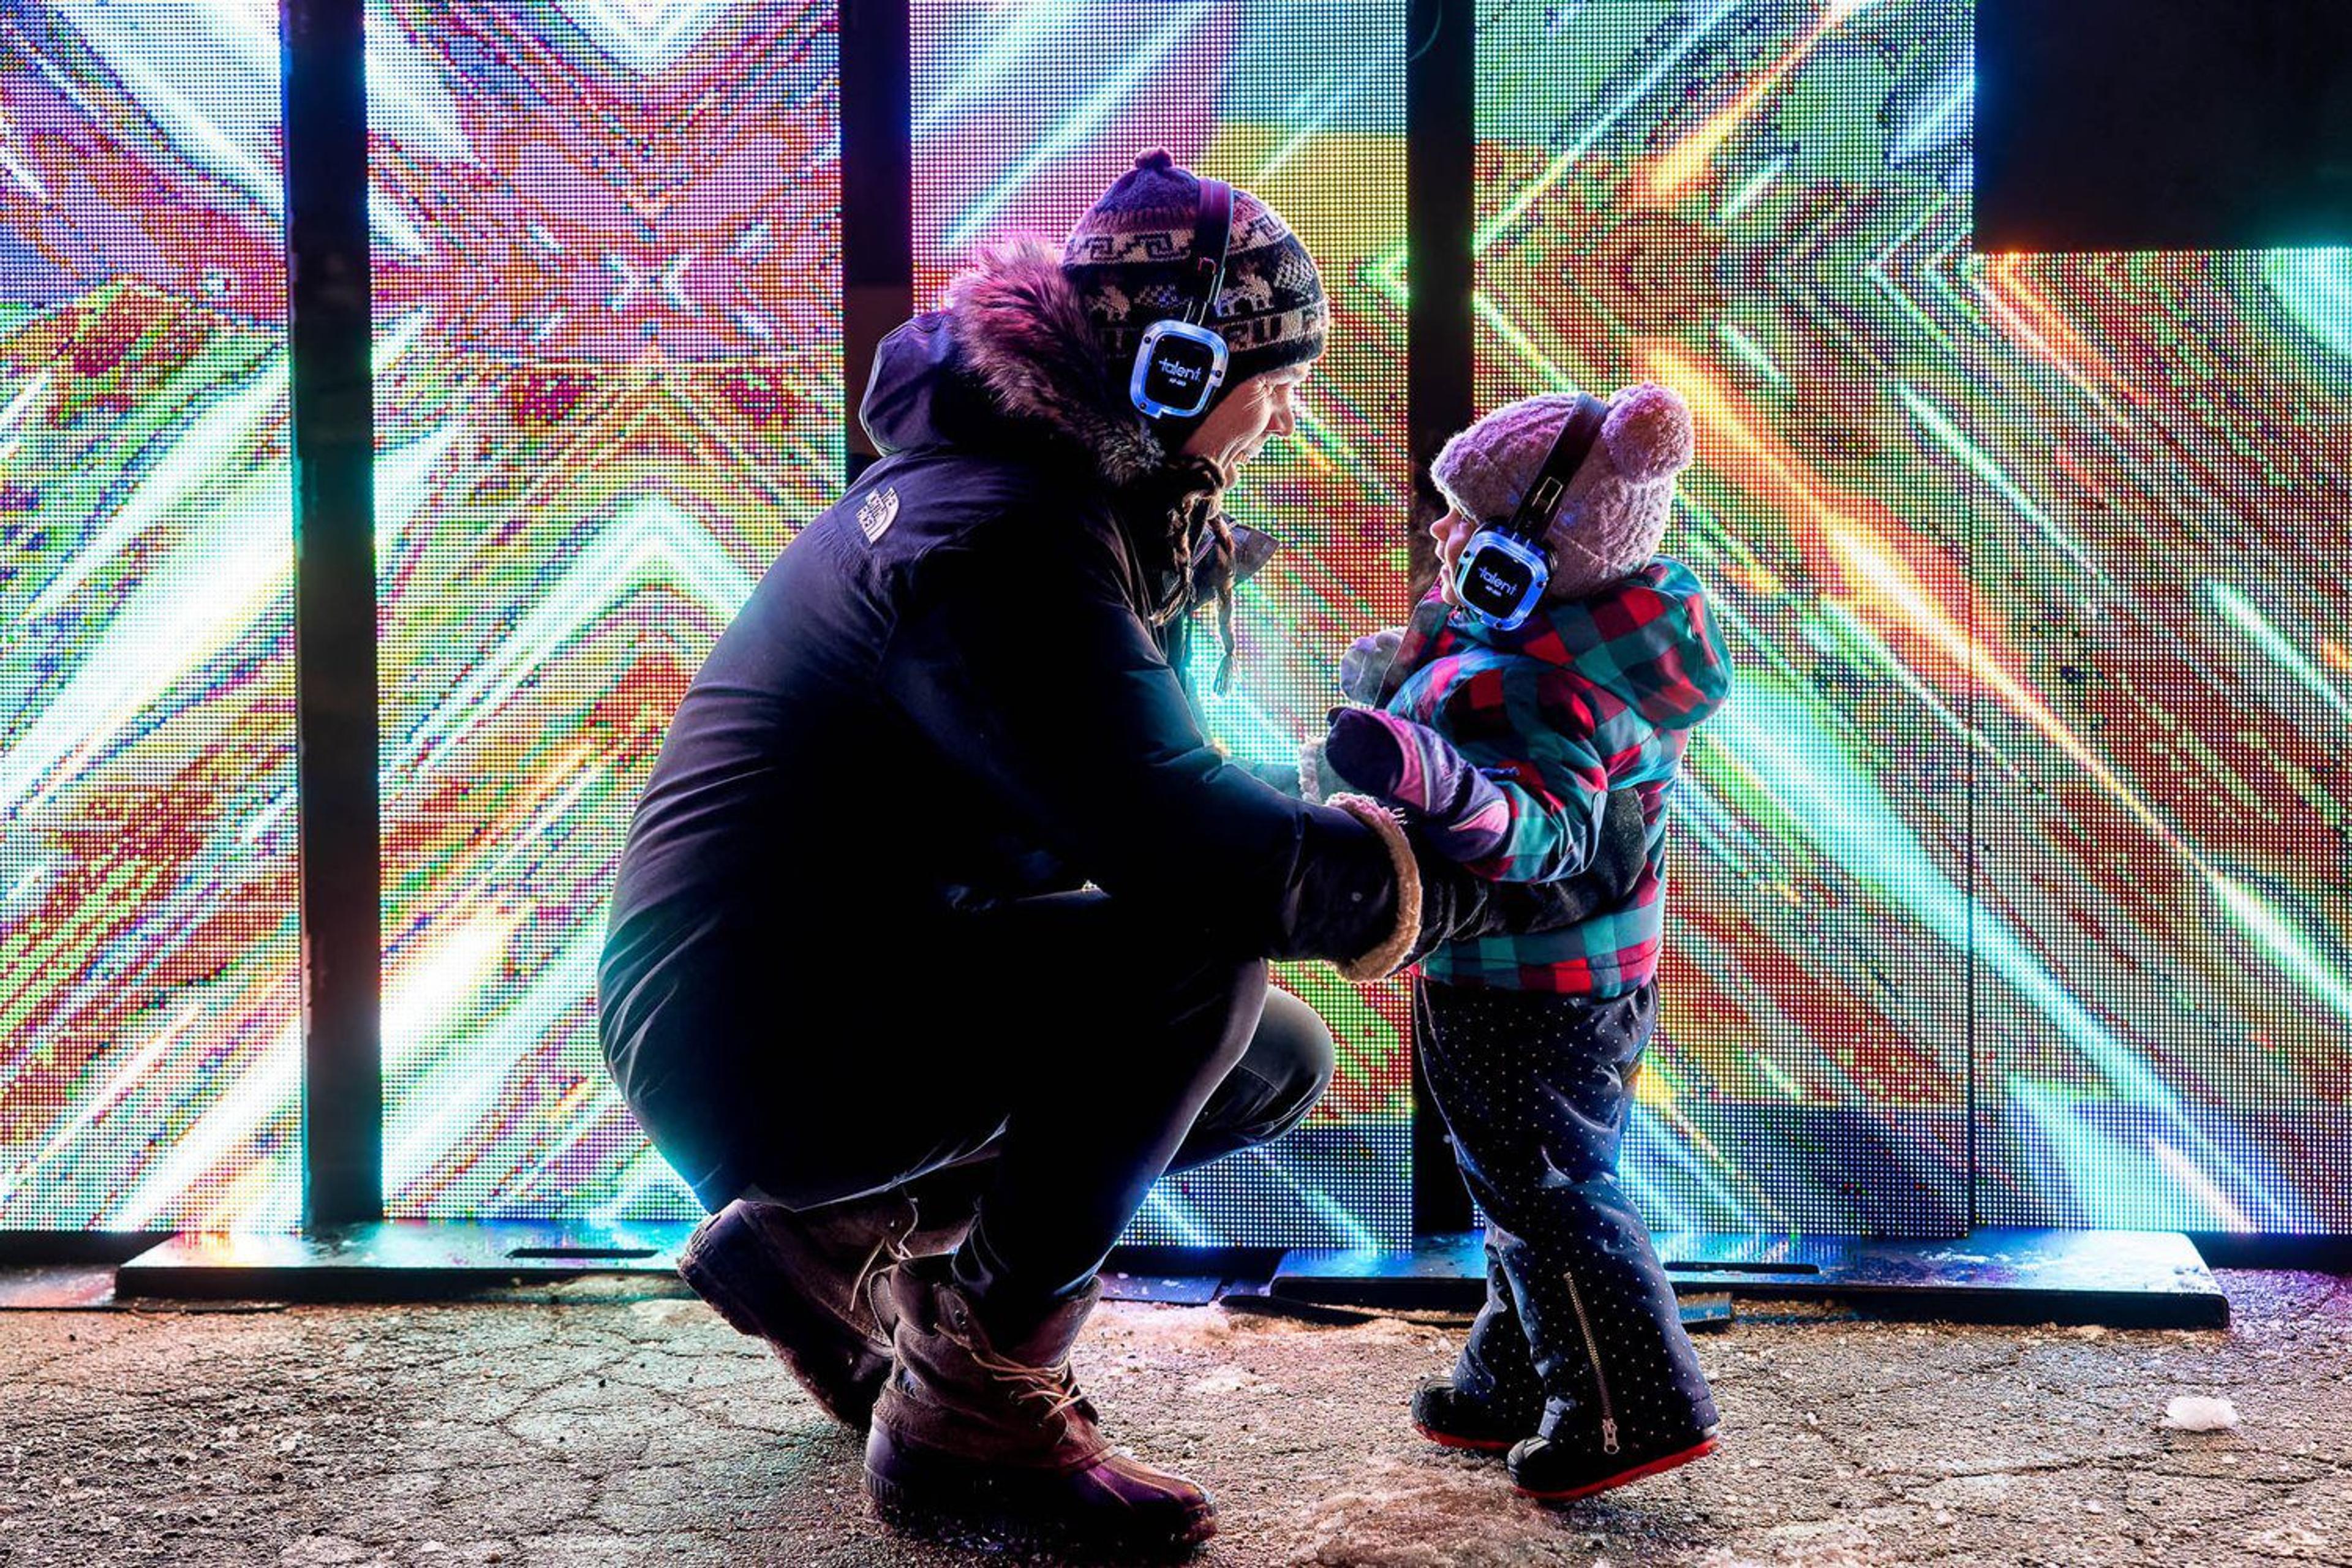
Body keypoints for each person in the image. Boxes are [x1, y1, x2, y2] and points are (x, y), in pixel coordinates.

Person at [596, 151, 1553, 1556]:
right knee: (1197, 950)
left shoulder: (1033, 500)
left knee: (1271, 1055)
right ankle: (968, 1422)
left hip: (801, 986)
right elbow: (1187, 849)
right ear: (1170, 369)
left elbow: (1131, 784)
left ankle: (825, 1243)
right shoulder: (995, 540)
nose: (1279, 420)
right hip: (755, 1035)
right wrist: (1455, 874)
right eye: (1271, 384)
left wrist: (1338, 805)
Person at [1306, 382, 1734, 1501]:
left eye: (1464, 519)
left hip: (1522, 984)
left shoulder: (1528, 686)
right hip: (1581, 976)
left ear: (1529, 554)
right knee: (1521, 1177)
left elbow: (1541, 836)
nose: (1439, 533)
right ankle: (1511, 1377)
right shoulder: (1576, 646)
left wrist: (1428, 772)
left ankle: (1628, 1408)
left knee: (1546, 1188)